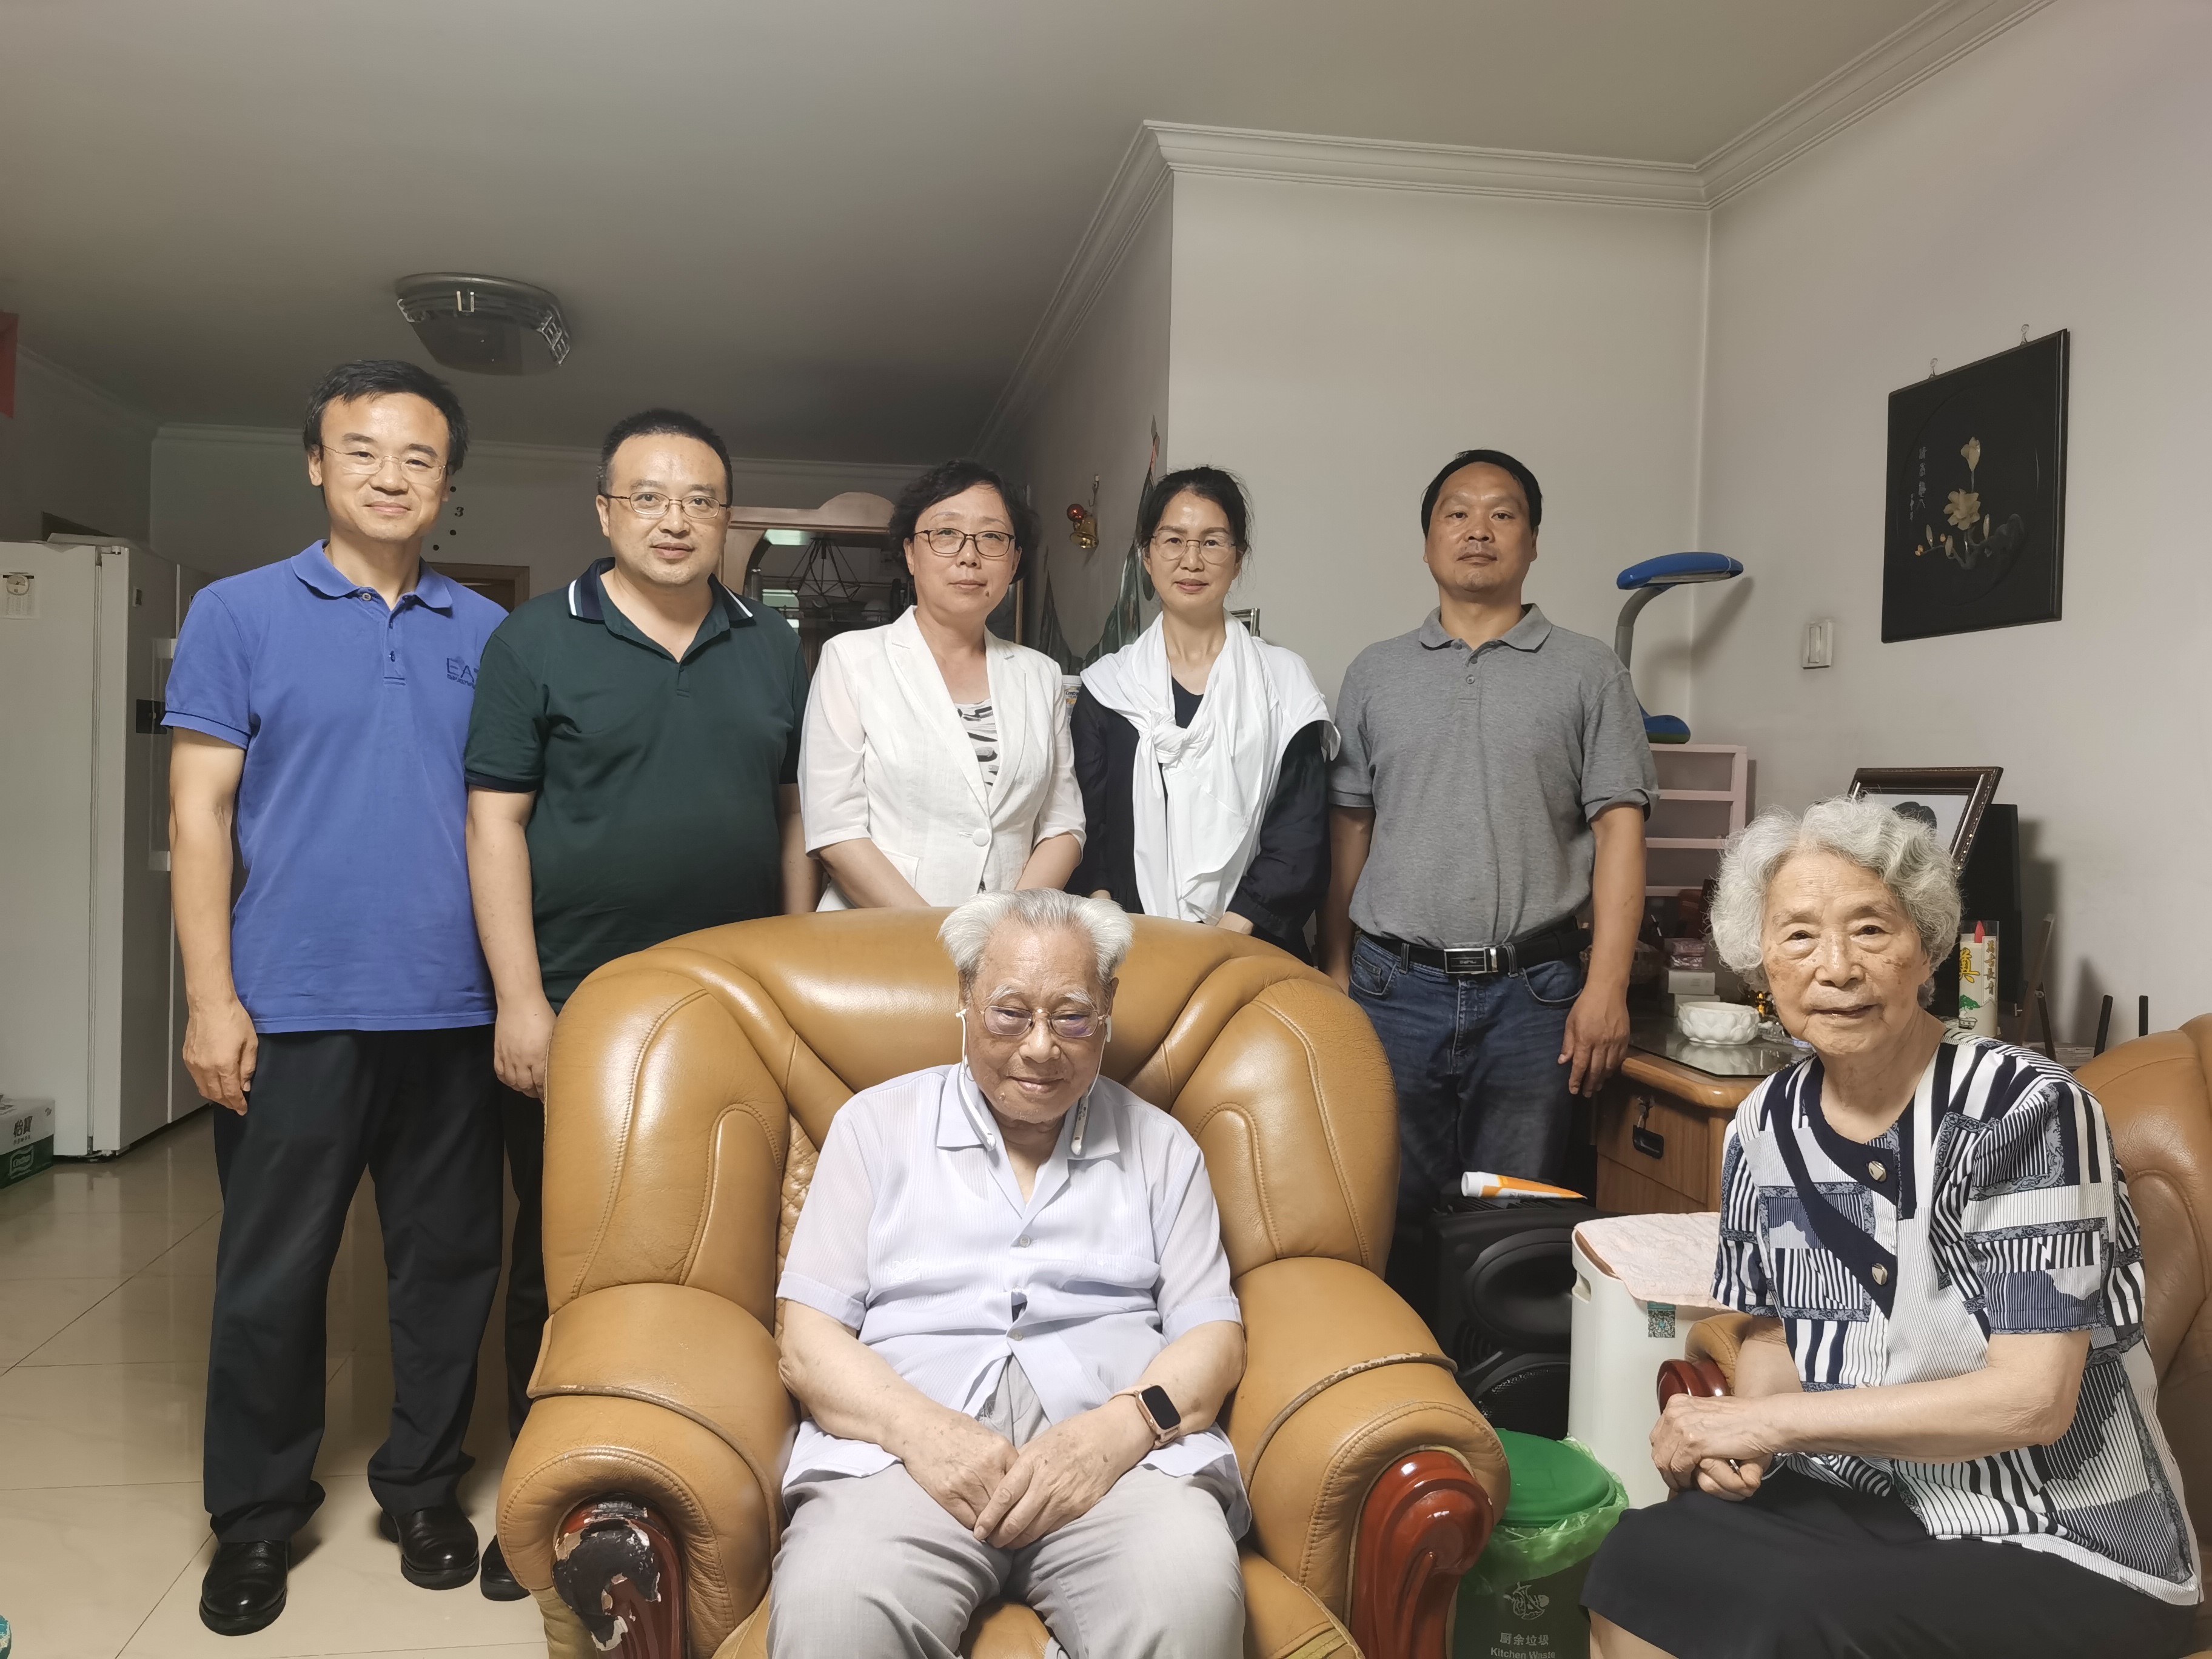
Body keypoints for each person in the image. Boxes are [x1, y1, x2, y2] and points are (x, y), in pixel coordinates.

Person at [1583, 796, 2202, 1659]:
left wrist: (1773, 1428)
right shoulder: (1764, 1123)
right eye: (1800, 936)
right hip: (1861, 1494)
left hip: (2054, 1531)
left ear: (1927, 947)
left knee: (1782, 1613)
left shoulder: (2025, 1113)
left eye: (1871, 930)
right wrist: (1740, 1442)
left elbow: (2032, 1400)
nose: (1837, 968)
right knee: (1639, 1557)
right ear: (1761, 958)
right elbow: (1776, 1331)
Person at [165, 360, 506, 1634]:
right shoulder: (238, 612)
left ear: (447, 484)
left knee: (447, 1268)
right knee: (271, 1278)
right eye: (361, 450)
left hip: (454, 1011)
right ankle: (256, 1519)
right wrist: (212, 1000)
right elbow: (199, 815)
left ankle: (423, 1487)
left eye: (418, 457)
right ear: (317, 463)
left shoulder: (491, 635)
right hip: (290, 1007)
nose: (389, 475)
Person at [461, 407, 813, 1597]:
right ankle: (546, 1496)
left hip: (733, 1013)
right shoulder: (533, 641)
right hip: (580, 1010)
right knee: (563, 1263)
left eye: (700, 500)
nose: (675, 521)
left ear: (729, 520)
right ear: (606, 511)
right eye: (649, 497)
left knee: (738, 1248)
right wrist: (521, 999)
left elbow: (792, 816)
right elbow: (494, 823)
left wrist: (793, 967)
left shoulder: (772, 646)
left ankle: (722, 1480)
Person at [769, 888, 1247, 1657]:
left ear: (1108, 1006)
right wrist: (919, 1431)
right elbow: (807, 1336)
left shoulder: (1163, 1148)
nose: (1041, 1047)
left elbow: (1214, 1339)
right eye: (1011, 1013)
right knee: (834, 1610)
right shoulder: (875, 1128)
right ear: (965, 997)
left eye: (1072, 1016)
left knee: (1190, 1595)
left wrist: (1118, 1432)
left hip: (1118, 1470)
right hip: (904, 1464)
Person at [1320, 449, 1654, 1230]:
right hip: (1391, 990)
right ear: (1428, 541)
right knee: (1382, 1212)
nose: (1479, 530)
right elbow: (1349, 827)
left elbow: (1620, 830)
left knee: (1513, 1224)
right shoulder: (1375, 673)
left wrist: (1606, 988)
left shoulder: (1589, 671)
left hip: (1533, 997)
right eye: (1457, 513)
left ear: (1532, 542)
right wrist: (1333, 966)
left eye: (1503, 514)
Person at [1070, 466, 1333, 959]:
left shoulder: (1284, 683)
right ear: (1147, 556)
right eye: (1173, 540)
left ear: (1238, 559)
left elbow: (1300, 835)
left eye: (1212, 542)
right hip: (1130, 950)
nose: (1191, 561)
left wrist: (1222, 940)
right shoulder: (1107, 688)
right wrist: (1116, 934)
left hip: (1253, 952)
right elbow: (1088, 832)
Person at [800, 459, 1082, 908]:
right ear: (911, 553)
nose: (969, 555)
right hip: (880, 934)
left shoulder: (1041, 674)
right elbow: (835, 829)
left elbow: (1063, 824)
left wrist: (1004, 926)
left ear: (1014, 561)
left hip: (1008, 937)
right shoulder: (851, 660)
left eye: (992, 537)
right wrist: (936, 936)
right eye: (946, 533)